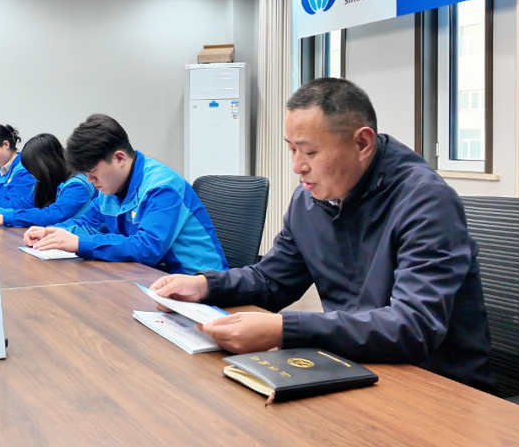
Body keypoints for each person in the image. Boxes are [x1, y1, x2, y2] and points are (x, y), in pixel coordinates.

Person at [151, 78, 494, 392]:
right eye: (292, 149)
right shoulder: (311, 199)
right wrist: (206, 286)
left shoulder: (425, 201)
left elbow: (413, 327)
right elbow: (272, 280)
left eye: (310, 152)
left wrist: (285, 329)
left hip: (436, 387)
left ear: (362, 143)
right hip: (351, 366)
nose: (297, 166)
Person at [24, 114, 228, 275]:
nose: (90, 180)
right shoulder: (110, 188)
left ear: (119, 158)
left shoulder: (161, 188)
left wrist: (79, 243)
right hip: (151, 277)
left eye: (93, 172)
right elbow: (88, 223)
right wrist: (51, 233)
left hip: (198, 285)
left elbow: (147, 249)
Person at [0, 133, 95, 228]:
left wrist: (6, 218)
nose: (33, 176)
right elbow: (23, 203)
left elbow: (51, 215)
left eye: (34, 170)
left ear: (46, 165)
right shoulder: (49, 181)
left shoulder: (78, 185)